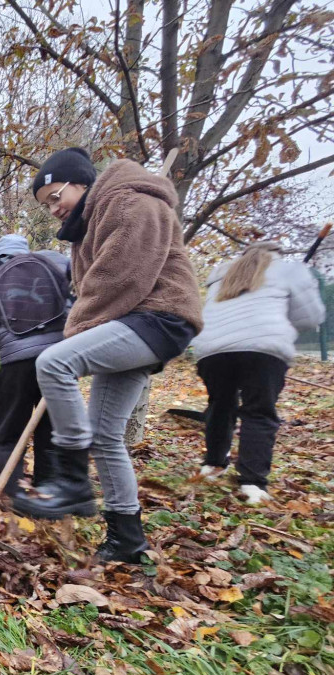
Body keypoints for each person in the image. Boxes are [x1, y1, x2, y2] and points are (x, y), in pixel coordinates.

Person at [17, 147, 202, 564]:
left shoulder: (133, 202)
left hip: (159, 318)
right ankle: (126, 540)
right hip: (130, 324)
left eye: (54, 196)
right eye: (46, 204)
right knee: (105, 437)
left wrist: (74, 335)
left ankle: (72, 479)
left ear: (79, 182)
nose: (52, 209)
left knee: (54, 361)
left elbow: (119, 278)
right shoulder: (87, 229)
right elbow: (90, 287)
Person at [192, 241, 325, 504]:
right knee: (259, 411)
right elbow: (311, 317)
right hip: (263, 348)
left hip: (212, 348)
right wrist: (281, 323)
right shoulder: (291, 270)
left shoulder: (221, 273)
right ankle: (252, 484)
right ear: (278, 254)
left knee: (220, 405)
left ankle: (213, 465)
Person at [0, 233, 69, 495]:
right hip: (57, 361)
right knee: (50, 433)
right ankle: (47, 495)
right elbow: (72, 304)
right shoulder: (53, 266)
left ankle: (12, 495)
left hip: (15, 365)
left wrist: (9, 353)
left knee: (9, 433)